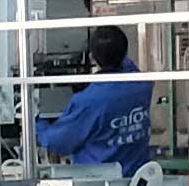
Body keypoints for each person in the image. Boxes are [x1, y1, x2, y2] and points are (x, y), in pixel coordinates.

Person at [37, 25, 157, 172]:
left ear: (92, 57)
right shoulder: (142, 86)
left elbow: (59, 143)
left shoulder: (89, 101)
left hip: (98, 181)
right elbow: (127, 65)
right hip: (137, 178)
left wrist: (37, 124)